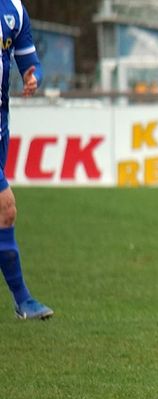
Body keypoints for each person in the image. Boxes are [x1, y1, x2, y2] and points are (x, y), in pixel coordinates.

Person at [0, 0, 51, 319]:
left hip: (1, 129)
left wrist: (33, 77)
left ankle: (24, 302)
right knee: (5, 208)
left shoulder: (14, 9)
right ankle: (24, 300)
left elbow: (30, 62)